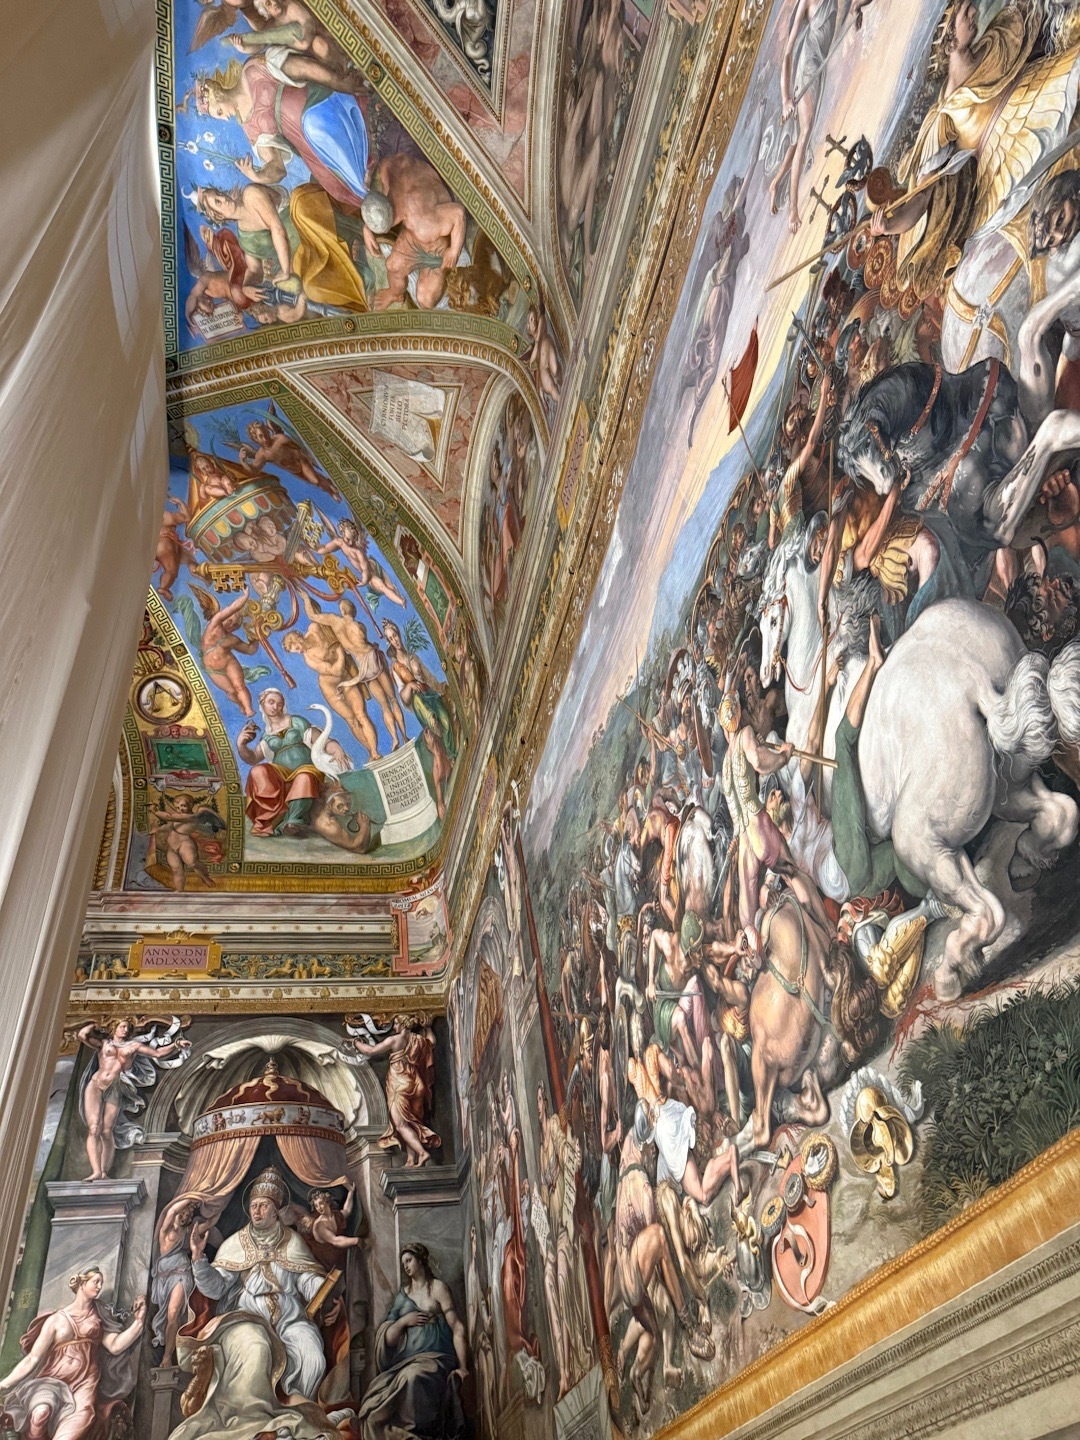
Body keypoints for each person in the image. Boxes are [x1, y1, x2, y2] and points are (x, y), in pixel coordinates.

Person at [874, 0, 1080, 298]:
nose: (973, 13)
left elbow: (1029, 31)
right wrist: (888, 226)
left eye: (970, 7)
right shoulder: (944, 117)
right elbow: (921, 199)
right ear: (948, 39)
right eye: (963, 13)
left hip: (1033, 90)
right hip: (1009, 150)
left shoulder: (993, 40)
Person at [190, 1168, 329, 1399]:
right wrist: (198, 1259)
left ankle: (297, 1409)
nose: (256, 1210)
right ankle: (254, 1412)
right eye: (254, 1205)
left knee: (313, 1356)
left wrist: (323, 1289)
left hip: (290, 1320)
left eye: (263, 1206)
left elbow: (306, 1280)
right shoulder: (236, 1244)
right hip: (248, 1319)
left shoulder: (292, 1242)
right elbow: (216, 1288)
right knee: (258, 1350)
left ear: (275, 1212)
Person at [196, 57, 370, 212]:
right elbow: (278, 168)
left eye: (219, 111)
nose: (225, 118)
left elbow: (301, 66)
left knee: (316, 129)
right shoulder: (250, 127)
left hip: (316, 102)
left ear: (219, 94)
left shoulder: (252, 72)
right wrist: (255, 176)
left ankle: (368, 167)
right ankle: (370, 193)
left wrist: (337, 82)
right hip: (304, 141)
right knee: (336, 187)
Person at [0, 1270, 145, 1440]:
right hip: (52, 1380)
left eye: (101, 1282)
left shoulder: (98, 1317)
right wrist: (4, 1384)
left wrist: (139, 1322)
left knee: (71, 1432)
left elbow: (115, 1346)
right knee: (40, 1414)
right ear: (82, 1284)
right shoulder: (56, 1319)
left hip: (85, 1383)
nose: (99, 1286)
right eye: (96, 1281)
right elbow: (33, 1358)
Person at [356, 1245, 467, 1440]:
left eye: (409, 1260)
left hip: (436, 1359)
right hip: (407, 1362)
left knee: (412, 1376)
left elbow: (457, 1327)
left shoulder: (438, 1288)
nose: (406, 1266)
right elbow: (389, 1338)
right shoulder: (403, 1296)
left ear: (420, 1260)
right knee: (375, 1397)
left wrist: (463, 1367)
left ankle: (414, 1432)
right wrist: (404, 1321)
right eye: (403, 1263)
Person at [77, 1021, 191, 1182]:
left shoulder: (133, 1046)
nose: (125, 1030)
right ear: (114, 1027)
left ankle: (103, 1172)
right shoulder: (104, 1043)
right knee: (94, 1128)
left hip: (115, 1086)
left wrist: (177, 1045)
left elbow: (158, 1053)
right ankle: (95, 1171)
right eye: (122, 1026)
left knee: (106, 1131)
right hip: (95, 1085)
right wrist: (94, 1025)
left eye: (127, 1027)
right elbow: (82, 1035)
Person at [361, 154, 468, 310]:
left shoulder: (425, 222)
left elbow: (458, 214)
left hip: (436, 245)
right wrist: (366, 228)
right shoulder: (387, 169)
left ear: (396, 216)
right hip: (414, 236)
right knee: (393, 265)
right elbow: (378, 204)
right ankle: (396, 294)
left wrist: (454, 251)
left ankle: (441, 280)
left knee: (425, 299)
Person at [302, 594, 406, 749]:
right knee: (392, 700)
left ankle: (395, 739)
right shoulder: (359, 626)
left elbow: (312, 615)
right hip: (373, 658)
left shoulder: (335, 623)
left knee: (384, 705)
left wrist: (305, 598)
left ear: (342, 610)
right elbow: (366, 643)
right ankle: (404, 736)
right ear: (353, 611)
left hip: (364, 668)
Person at [348, 1015, 442, 1165]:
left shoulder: (394, 1040)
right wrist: (428, 1028)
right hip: (417, 1084)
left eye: (396, 1023)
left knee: (400, 1124)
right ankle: (411, 1160)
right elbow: (431, 1042)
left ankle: (422, 1153)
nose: (394, 1027)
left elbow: (371, 1051)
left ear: (403, 1024)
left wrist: (356, 1042)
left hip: (400, 1084)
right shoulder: (418, 1040)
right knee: (410, 1122)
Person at [282, 619, 383, 760]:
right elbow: (336, 671)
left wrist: (341, 645)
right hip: (331, 689)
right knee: (352, 720)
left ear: (298, 637)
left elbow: (333, 627)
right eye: (296, 652)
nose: (300, 652)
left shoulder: (315, 628)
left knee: (361, 714)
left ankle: (375, 752)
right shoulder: (309, 659)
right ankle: (370, 752)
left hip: (346, 680)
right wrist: (339, 651)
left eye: (297, 648)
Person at [238, 688, 333, 836]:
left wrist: (336, 749)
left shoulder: (296, 721)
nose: (275, 706)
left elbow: (323, 741)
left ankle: (293, 821)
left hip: (306, 769)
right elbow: (253, 759)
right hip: (282, 775)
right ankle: (270, 818)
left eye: (279, 703)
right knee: (257, 770)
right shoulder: (267, 735)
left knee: (304, 777)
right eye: (271, 702)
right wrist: (241, 745)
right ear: (262, 704)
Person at [152, 1197, 218, 1367]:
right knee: (167, 1317)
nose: (185, 1216)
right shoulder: (165, 1230)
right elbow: (171, 1210)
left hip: (181, 1275)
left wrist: (218, 1202)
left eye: (188, 1215)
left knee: (173, 1313)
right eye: (183, 1213)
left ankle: (167, 1357)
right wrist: (191, 1196)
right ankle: (172, 1351)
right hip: (163, 1278)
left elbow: (209, 1223)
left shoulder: (189, 1232)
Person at [315, 518, 407, 608]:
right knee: (383, 586)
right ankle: (401, 601)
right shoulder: (339, 542)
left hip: (371, 571)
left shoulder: (358, 552)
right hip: (370, 575)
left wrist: (364, 581)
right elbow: (326, 548)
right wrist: (315, 550)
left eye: (353, 540)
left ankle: (401, 600)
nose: (350, 543)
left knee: (388, 586)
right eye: (348, 539)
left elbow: (365, 568)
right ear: (342, 532)